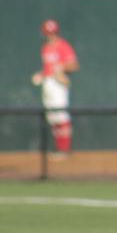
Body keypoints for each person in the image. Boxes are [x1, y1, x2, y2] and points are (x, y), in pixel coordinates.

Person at [31, 19, 79, 154]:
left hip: (58, 84)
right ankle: (58, 148)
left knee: (61, 115)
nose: (50, 36)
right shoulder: (45, 48)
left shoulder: (63, 46)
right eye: (48, 33)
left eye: (52, 33)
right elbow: (48, 69)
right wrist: (41, 75)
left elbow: (74, 65)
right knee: (52, 116)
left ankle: (65, 149)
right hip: (48, 84)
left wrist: (62, 67)